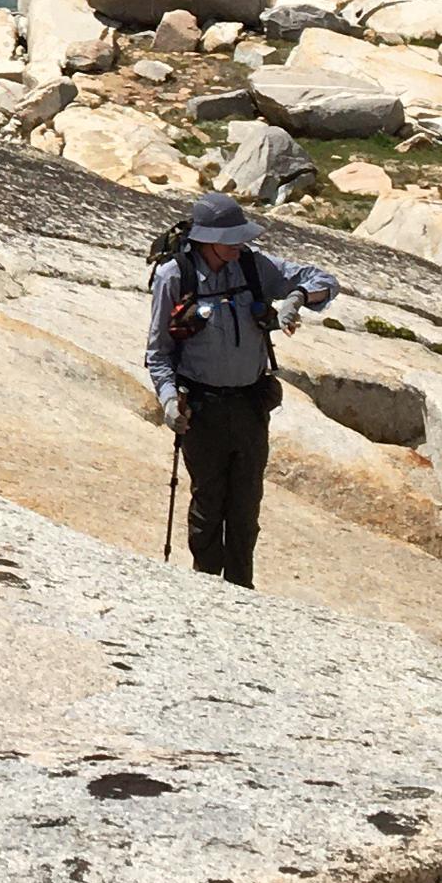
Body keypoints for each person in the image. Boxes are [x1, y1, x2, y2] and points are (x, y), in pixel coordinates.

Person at [144, 190, 340, 587]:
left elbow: (325, 281)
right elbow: (158, 352)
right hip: (201, 409)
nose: (240, 244)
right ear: (206, 238)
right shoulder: (175, 276)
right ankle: (205, 583)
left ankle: (240, 588)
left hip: (251, 406)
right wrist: (168, 400)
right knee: (208, 504)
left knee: (246, 506)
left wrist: (296, 299)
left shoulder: (253, 268)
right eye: (232, 238)